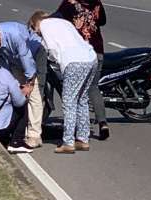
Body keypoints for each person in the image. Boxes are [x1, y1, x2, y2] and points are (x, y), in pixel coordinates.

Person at [29, 11, 97, 153]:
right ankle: (83, 139)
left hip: (73, 62)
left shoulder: (45, 25)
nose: (37, 33)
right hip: (90, 58)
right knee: (82, 100)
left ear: (36, 23)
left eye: (35, 30)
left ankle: (68, 142)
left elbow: (52, 49)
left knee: (69, 103)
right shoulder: (64, 22)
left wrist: (54, 60)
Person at [0, 21, 47, 148]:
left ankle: (34, 136)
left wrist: (30, 82)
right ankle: (19, 130)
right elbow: (3, 62)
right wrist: (10, 82)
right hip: (14, 60)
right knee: (17, 94)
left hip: (33, 54)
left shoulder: (14, 34)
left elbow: (26, 57)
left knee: (34, 96)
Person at [55, 0, 109, 140]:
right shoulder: (97, 3)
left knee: (74, 92)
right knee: (93, 87)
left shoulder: (69, 3)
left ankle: (76, 130)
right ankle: (102, 123)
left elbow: (58, 21)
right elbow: (102, 21)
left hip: (77, 52)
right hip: (97, 50)